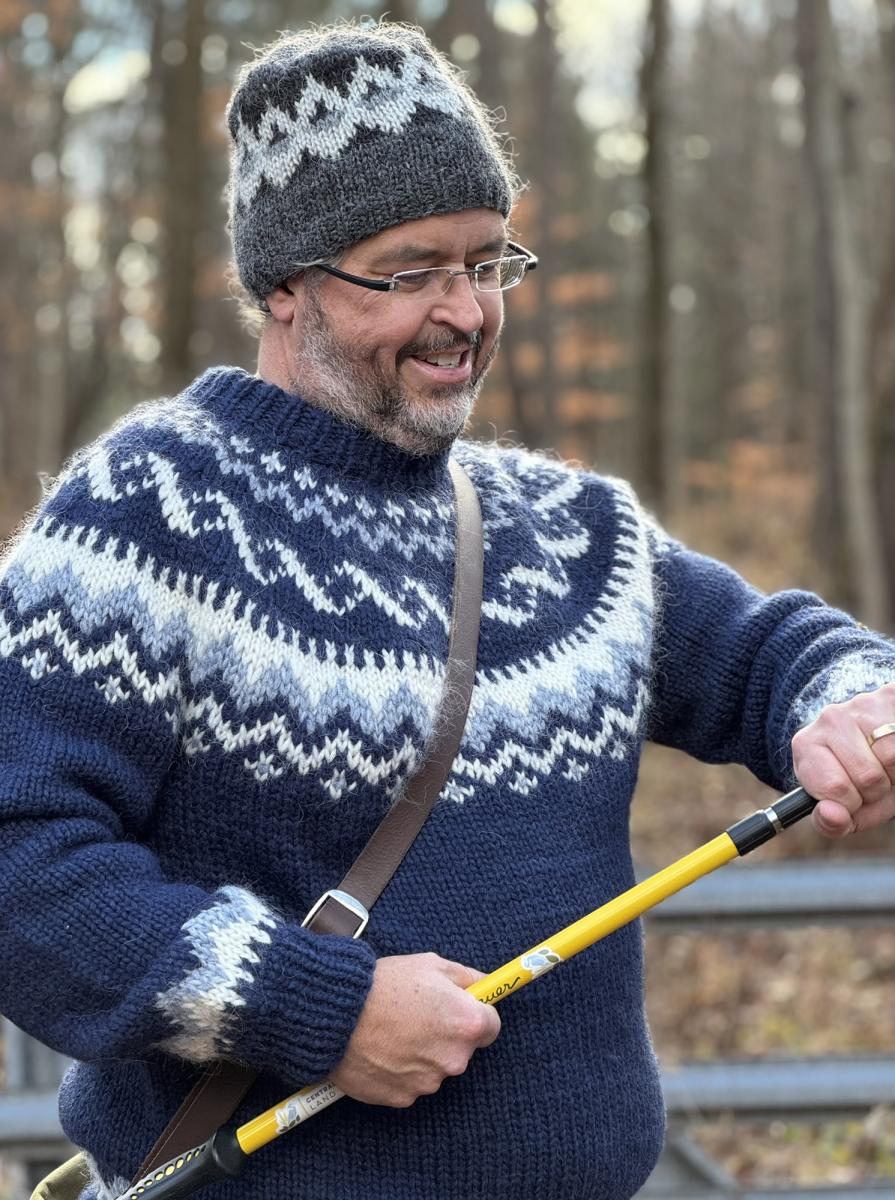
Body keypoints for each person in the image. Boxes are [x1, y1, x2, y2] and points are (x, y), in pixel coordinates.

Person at [1, 19, 894, 1200]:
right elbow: (24, 864)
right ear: (285, 287)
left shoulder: (568, 532)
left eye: (487, 262)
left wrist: (851, 702)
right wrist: (319, 1011)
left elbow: (773, 652)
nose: (466, 311)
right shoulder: (144, 515)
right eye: (409, 271)